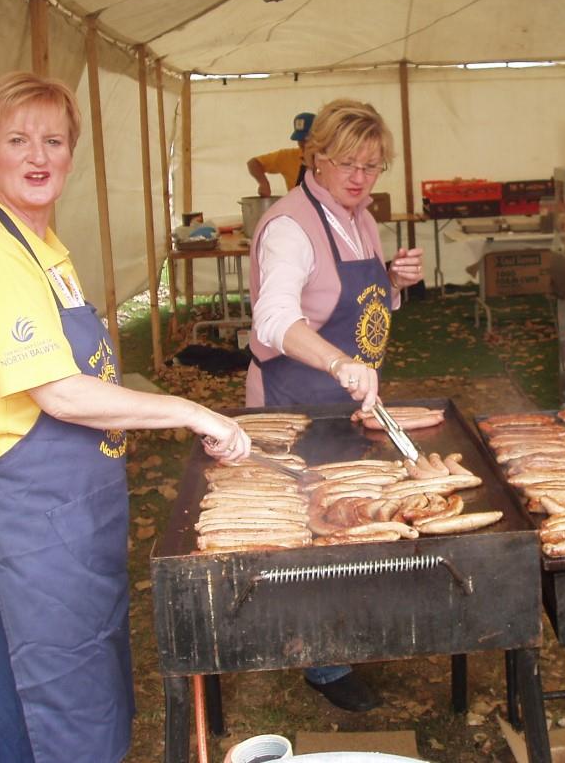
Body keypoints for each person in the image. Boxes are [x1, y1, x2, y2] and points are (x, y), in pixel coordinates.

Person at [0, 71, 252, 763]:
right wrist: (191, 409)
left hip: (69, 521)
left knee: (85, 696)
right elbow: (61, 392)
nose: (38, 155)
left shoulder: (42, 247)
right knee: (49, 712)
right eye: (18, 139)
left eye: (53, 139)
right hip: (21, 530)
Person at [246, 98, 424, 709]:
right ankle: (321, 663)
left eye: (372, 167)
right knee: (310, 531)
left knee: (353, 517)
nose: (359, 178)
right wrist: (340, 363)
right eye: (347, 163)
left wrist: (395, 284)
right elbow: (274, 319)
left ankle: (348, 636)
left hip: (349, 401)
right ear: (315, 157)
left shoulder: (360, 217)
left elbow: (363, 309)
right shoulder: (291, 227)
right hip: (295, 401)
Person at [247, 111, 314, 197]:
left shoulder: (330, 157)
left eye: (307, 139)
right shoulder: (287, 157)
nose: (303, 143)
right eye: (299, 139)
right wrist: (263, 183)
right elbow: (253, 163)